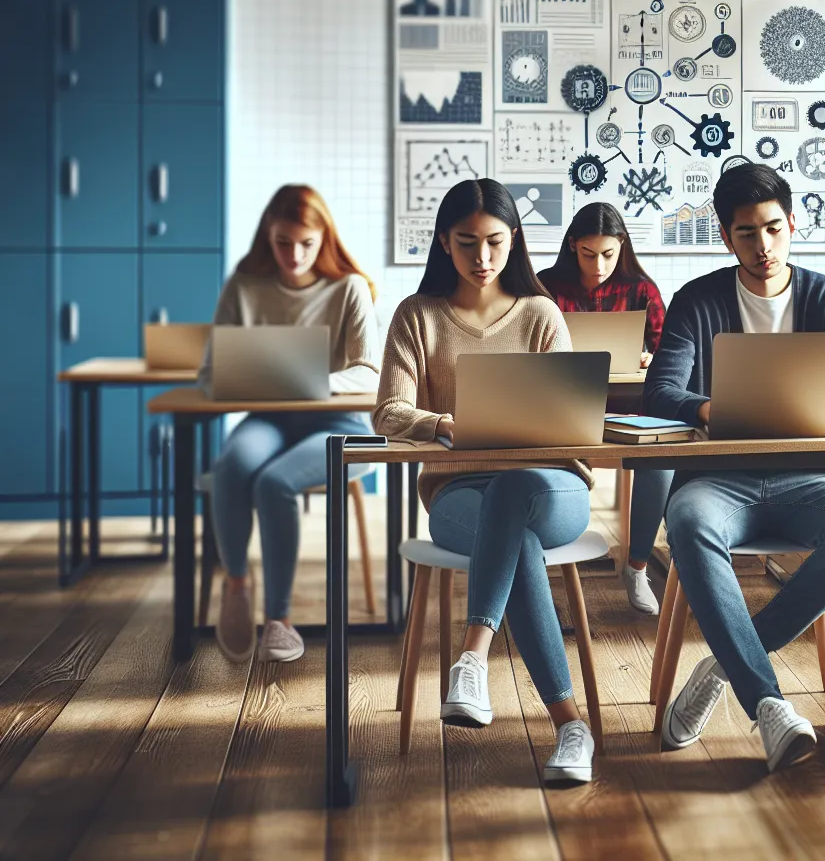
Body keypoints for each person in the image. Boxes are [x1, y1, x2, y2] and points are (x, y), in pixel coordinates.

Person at [648, 163, 825, 772]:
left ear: (792, 224)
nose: (763, 246)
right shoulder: (698, 300)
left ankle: (730, 660)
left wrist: (822, 407)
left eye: (774, 229)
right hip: (716, 477)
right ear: (726, 238)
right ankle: (769, 704)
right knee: (690, 523)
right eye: (747, 233)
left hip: (809, 476)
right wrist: (713, 408)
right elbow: (660, 393)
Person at [374, 179, 597, 785]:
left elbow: (576, 420)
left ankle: (472, 656)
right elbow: (387, 412)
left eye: (495, 242)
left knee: (517, 489)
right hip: (457, 495)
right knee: (512, 533)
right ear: (444, 243)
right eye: (466, 243)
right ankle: (572, 729)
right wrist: (444, 423)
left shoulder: (541, 314)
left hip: (553, 489)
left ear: (514, 240)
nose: (482, 258)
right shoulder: (417, 316)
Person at [201, 185, 380, 666]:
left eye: (307, 243)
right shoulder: (245, 285)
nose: (294, 255)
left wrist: (311, 380)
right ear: (268, 235)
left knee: (274, 482)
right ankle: (236, 584)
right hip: (270, 419)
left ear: (325, 238)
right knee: (233, 466)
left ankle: (278, 618)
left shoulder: (349, 288)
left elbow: (370, 371)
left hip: (340, 422)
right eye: (283, 243)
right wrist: (244, 378)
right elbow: (209, 372)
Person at [537, 201, 669, 616]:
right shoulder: (545, 286)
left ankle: (637, 566)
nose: (598, 266)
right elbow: (525, 352)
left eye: (608, 255)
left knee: (661, 462)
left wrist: (652, 358)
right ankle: (537, 573)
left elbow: (671, 351)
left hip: (630, 409)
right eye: (588, 254)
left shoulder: (641, 290)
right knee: (534, 462)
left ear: (622, 247)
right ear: (573, 246)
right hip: (563, 407)